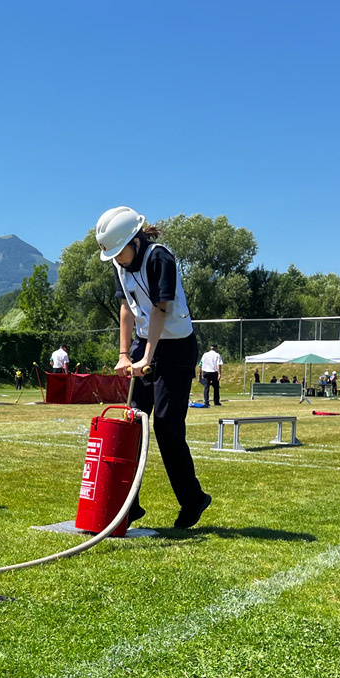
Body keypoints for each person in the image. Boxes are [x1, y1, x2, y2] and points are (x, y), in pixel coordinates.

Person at [96, 207, 211, 529]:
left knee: (166, 426)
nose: (117, 260)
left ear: (135, 241)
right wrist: (124, 354)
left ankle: (193, 499)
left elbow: (161, 309)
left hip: (176, 347)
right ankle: (128, 505)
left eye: (120, 253)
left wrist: (147, 358)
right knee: (132, 421)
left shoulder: (160, 258)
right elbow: (126, 308)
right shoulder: (120, 263)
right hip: (144, 340)